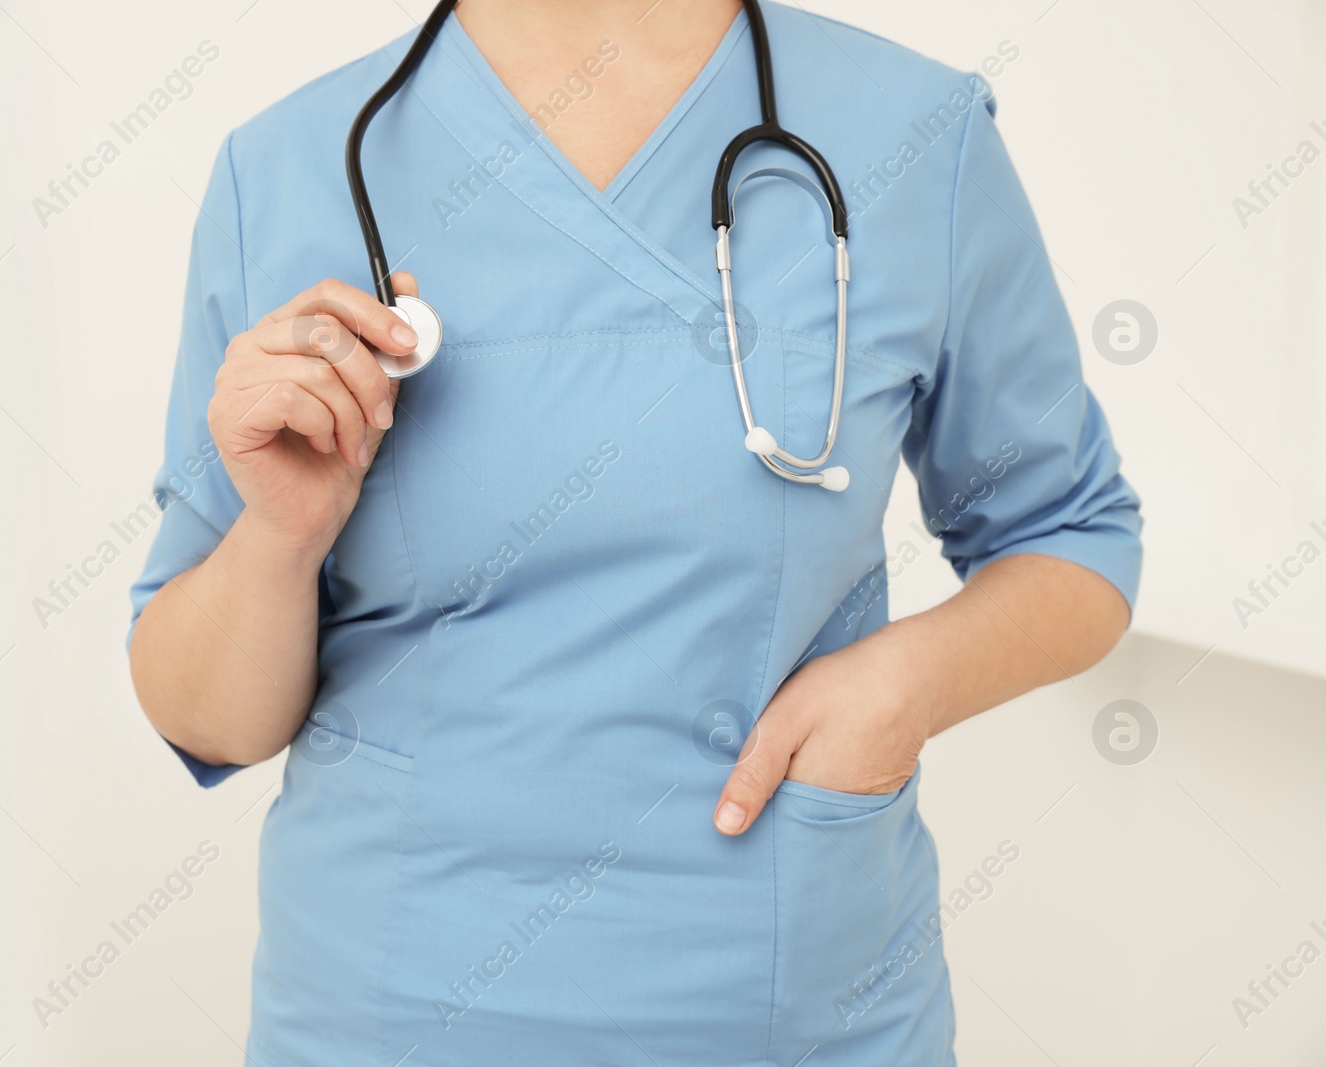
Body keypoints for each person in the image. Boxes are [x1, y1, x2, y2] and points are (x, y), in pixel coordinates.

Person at [127, 1, 1142, 1062]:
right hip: (392, 1009)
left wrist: (900, 686)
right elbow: (207, 719)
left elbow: (1076, 534)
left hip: (789, 1005)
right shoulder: (289, 167)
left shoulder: (912, 133)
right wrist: (281, 534)